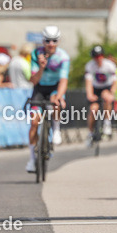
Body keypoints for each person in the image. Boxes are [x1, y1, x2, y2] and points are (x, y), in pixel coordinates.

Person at [25, 26, 70, 173]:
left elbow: (63, 80)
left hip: (55, 87)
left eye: (54, 41)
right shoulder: (36, 54)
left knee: (55, 102)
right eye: (48, 41)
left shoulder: (63, 57)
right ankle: (32, 159)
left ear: (58, 42)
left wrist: (59, 96)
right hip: (40, 88)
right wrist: (42, 67)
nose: (51, 44)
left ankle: (56, 129)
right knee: (33, 123)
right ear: (43, 41)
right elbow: (33, 80)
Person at [84, 45, 117, 144]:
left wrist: (112, 93)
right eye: (96, 56)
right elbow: (88, 81)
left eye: (100, 56)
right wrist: (90, 94)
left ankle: (107, 123)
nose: (98, 58)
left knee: (107, 97)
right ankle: (90, 132)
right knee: (93, 110)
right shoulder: (90, 66)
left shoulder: (110, 65)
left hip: (106, 87)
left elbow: (115, 82)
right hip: (95, 88)